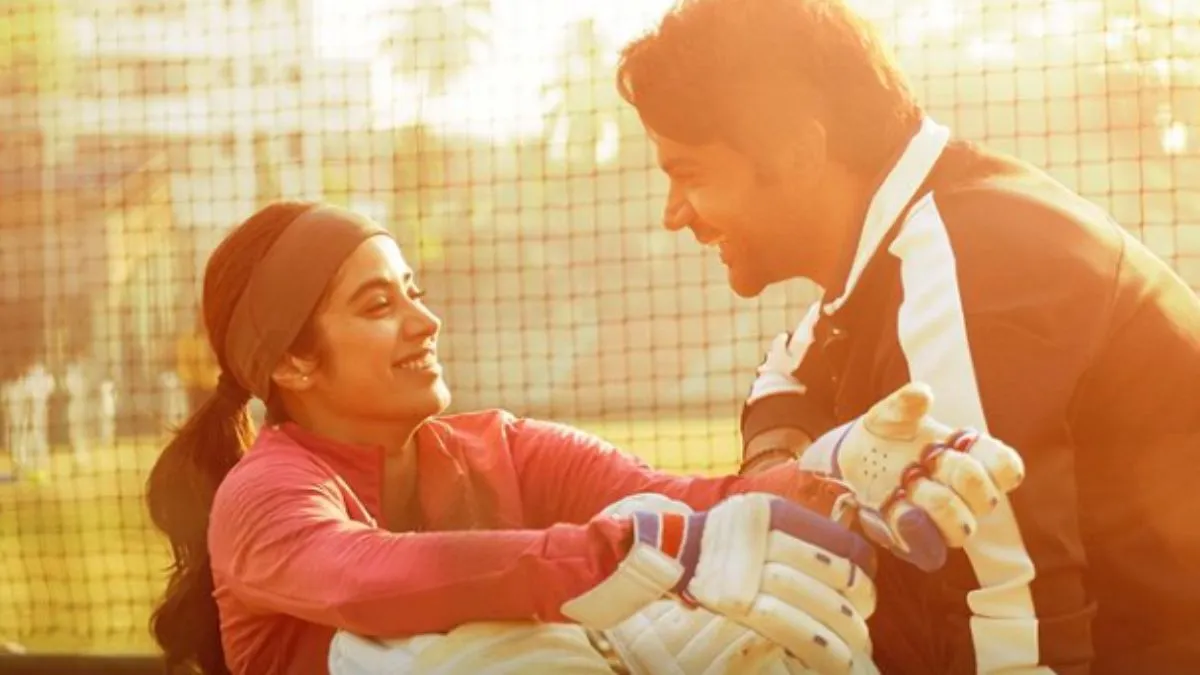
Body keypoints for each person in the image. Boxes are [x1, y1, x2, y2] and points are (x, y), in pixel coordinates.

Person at [144, 202, 1020, 675]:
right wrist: (637, 555)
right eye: (379, 305)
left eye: (414, 288)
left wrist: (834, 473)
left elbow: (691, 502)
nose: (426, 318)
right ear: (292, 364)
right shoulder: (264, 495)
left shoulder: (503, 446)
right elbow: (373, 579)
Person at [616, 0, 1200, 673]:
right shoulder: (911, 236)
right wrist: (776, 482)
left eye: (689, 175)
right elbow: (786, 375)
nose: (673, 215)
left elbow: (1017, 637)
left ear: (801, 153)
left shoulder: (965, 269)